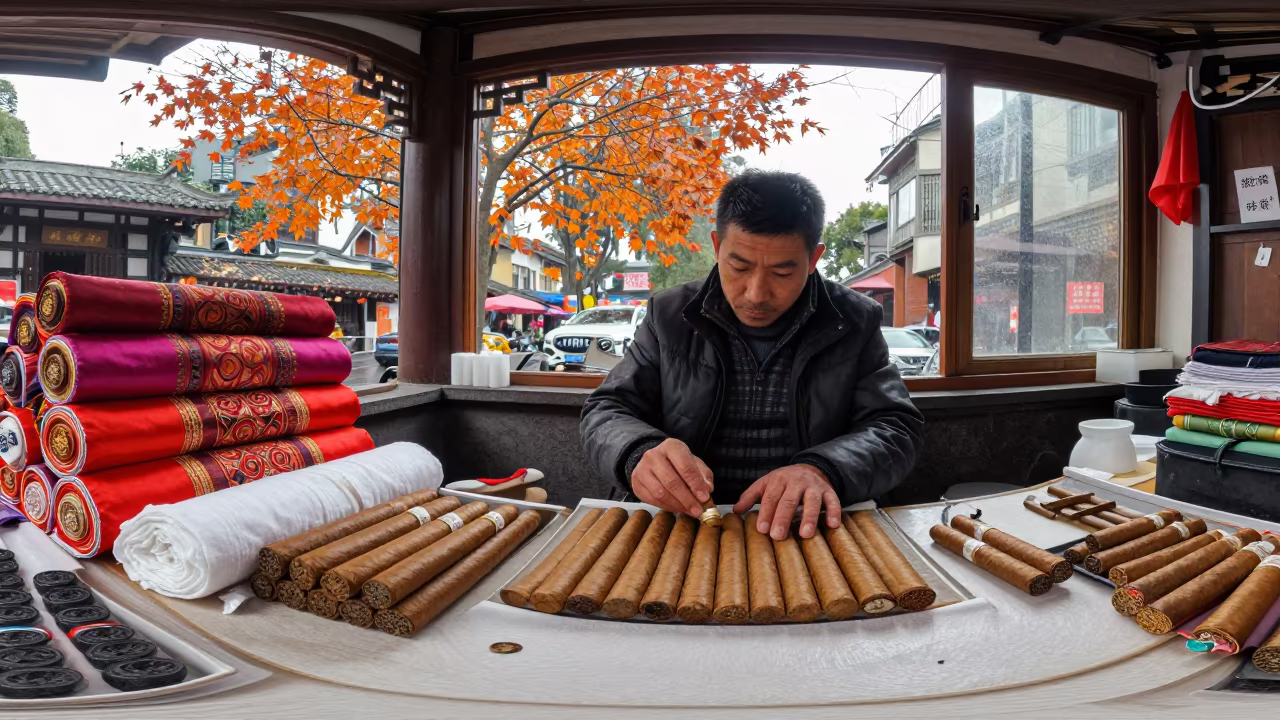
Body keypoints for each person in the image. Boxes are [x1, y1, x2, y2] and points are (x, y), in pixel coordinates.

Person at [581, 170, 924, 541]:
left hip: (805, 528)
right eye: (739, 267)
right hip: (684, 523)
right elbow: (606, 409)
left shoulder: (854, 320)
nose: (757, 294)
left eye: (782, 271)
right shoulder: (670, 315)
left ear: (813, 259)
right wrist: (638, 452)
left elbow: (895, 427)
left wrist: (824, 469)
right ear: (716, 246)